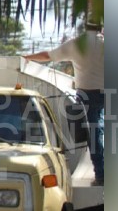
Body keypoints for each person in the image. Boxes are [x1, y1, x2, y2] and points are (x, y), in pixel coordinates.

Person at [24, 21, 105, 186]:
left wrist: (27, 58)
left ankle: (102, 174)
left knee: (94, 133)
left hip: (87, 93)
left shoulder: (77, 44)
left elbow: (48, 56)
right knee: (103, 129)